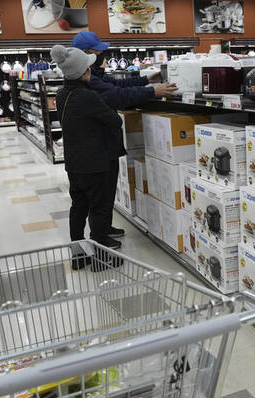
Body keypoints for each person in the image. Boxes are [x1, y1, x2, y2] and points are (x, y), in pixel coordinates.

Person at [71, 31, 178, 241]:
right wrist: (151, 92)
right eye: (99, 51)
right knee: (98, 198)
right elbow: (116, 96)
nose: (103, 55)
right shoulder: (86, 82)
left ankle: (103, 228)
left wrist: (146, 79)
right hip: (95, 152)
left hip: (100, 149)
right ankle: (99, 240)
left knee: (106, 194)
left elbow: (117, 85)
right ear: (87, 54)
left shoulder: (92, 75)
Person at [51, 45, 125, 264]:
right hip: (94, 164)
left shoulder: (62, 93)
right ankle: (102, 258)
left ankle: (78, 255)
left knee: (78, 208)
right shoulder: (89, 96)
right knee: (99, 209)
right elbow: (115, 121)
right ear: (85, 73)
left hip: (74, 163)